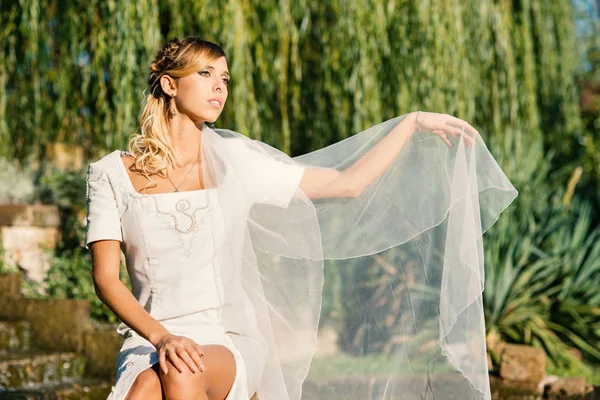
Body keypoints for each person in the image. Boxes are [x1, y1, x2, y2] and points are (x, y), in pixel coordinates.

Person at [86, 36, 517, 400]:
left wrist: (412, 123)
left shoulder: (236, 162)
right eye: (205, 75)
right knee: (145, 386)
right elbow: (107, 278)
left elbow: (346, 184)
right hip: (149, 338)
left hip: (224, 338)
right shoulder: (110, 174)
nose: (219, 88)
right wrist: (162, 338)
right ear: (168, 84)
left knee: (180, 370)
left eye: (225, 79)